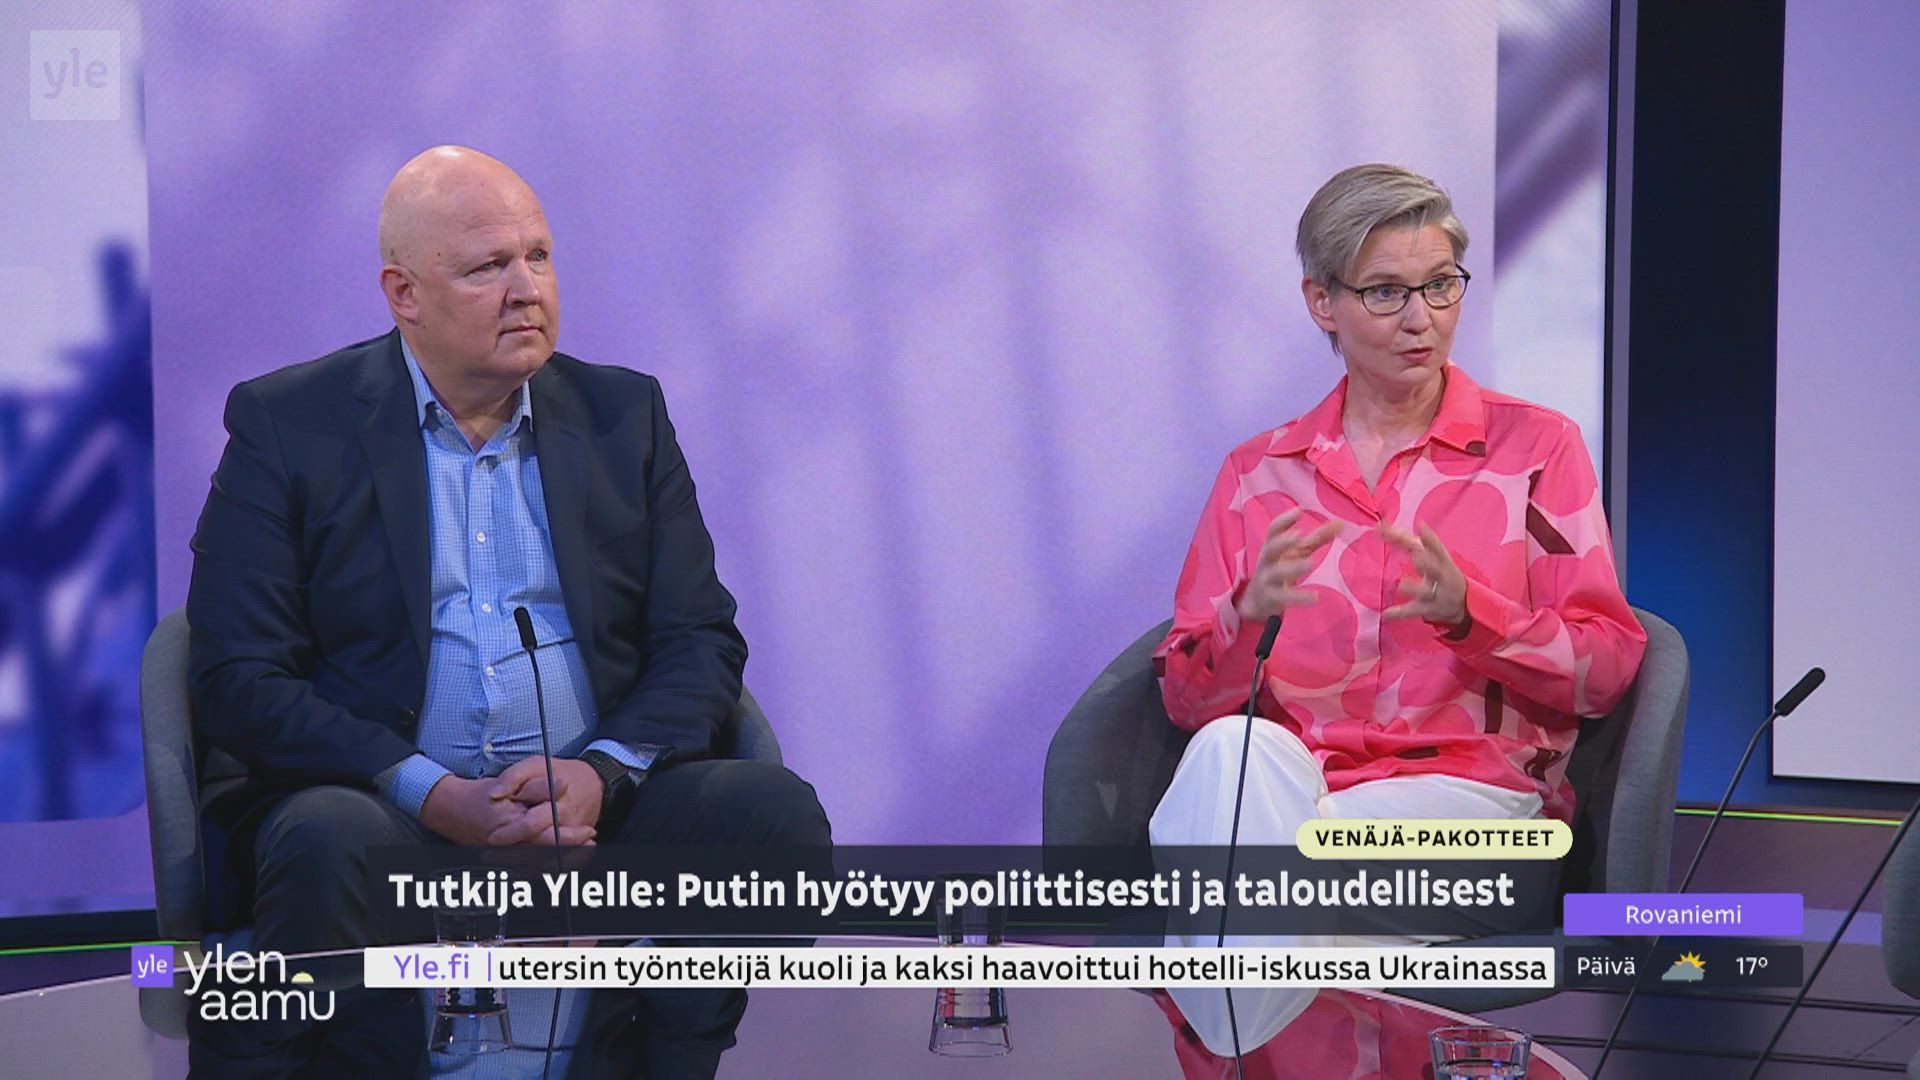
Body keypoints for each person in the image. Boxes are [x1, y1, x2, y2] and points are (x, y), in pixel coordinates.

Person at [186, 145, 831, 1078]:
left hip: (592, 813)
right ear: (404, 294)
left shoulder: (624, 416)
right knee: (328, 839)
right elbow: (237, 675)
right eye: (489, 266)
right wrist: (430, 791)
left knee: (769, 816)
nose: (527, 289)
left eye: (538, 255)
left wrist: (602, 774)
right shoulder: (290, 425)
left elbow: (697, 639)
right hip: (382, 810)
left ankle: (657, 1065)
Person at [1147, 163, 1646, 1071]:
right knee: (1227, 754)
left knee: (1227, 888)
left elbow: (1606, 668)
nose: (1423, 319)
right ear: (1322, 302)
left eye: (1441, 285)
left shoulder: (1536, 449)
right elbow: (1184, 701)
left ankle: (1220, 1047)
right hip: (1295, 798)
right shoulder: (1260, 475)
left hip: (1476, 806)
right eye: (1386, 292)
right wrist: (1244, 619)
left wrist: (1472, 616)